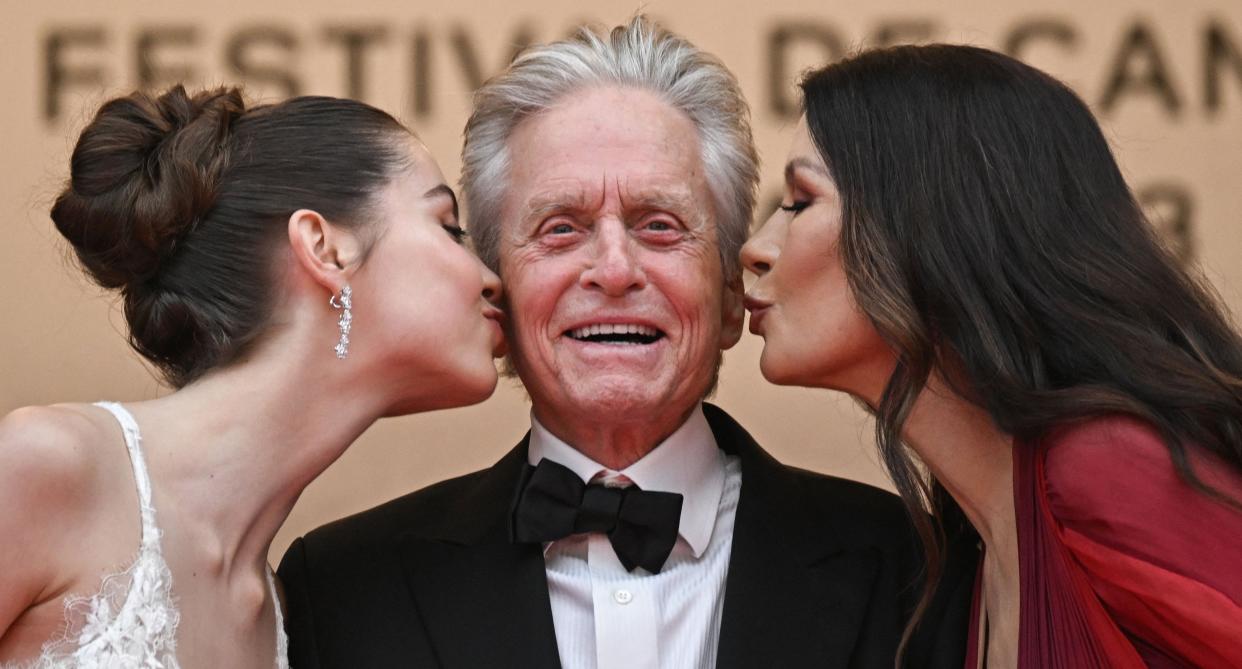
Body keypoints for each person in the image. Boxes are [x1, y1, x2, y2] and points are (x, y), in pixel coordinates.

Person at [277, 17, 972, 669]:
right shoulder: (340, 585)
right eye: (560, 228)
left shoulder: (920, 566)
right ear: (497, 297)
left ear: (732, 296)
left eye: (661, 225)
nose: (613, 270)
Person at [741, 43, 1242, 668]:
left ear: (929, 224)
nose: (756, 249)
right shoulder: (976, 554)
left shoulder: (1103, 466)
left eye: (799, 203)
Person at [0, 85, 504, 668]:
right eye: (448, 225)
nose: (489, 277)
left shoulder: (280, 613)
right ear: (324, 247)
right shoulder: (49, 466)